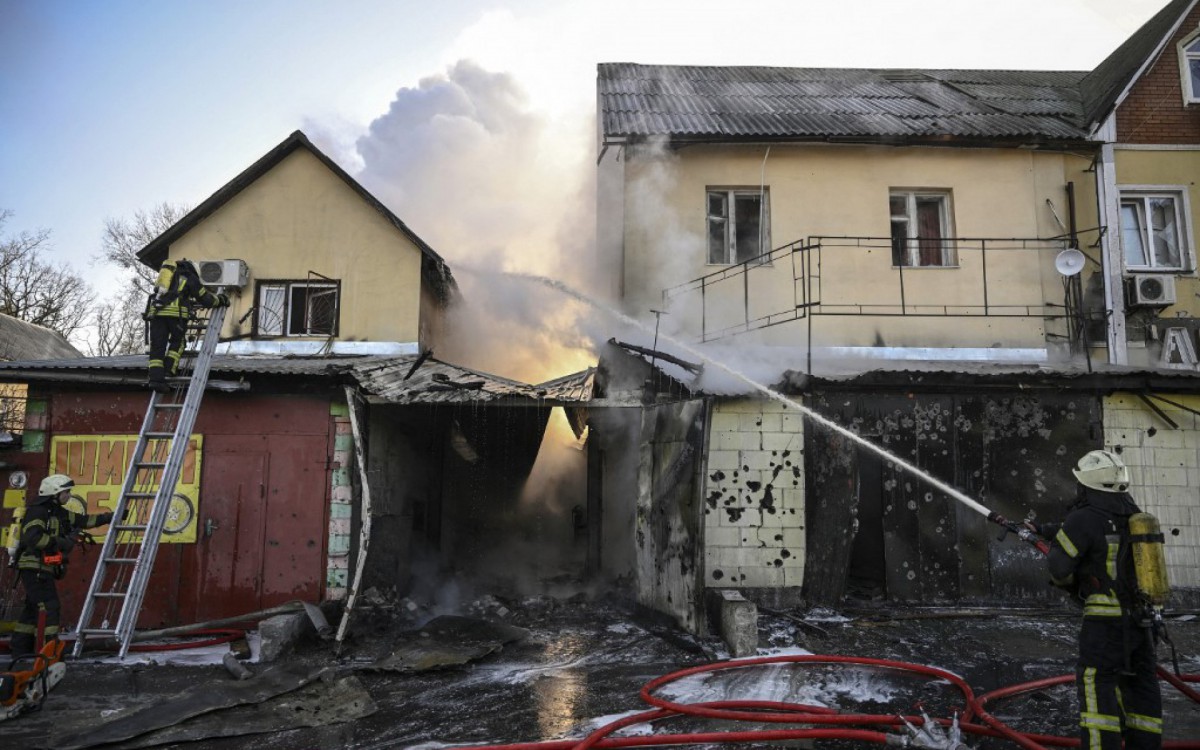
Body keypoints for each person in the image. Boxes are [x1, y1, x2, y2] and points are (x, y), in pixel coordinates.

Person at [1037, 449, 1163, 749]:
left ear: (1086, 484)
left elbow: (1059, 568)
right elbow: (1091, 533)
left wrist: (1072, 584)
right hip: (1143, 626)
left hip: (1105, 627)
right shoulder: (1136, 517)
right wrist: (1042, 531)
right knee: (1140, 692)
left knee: (1097, 689)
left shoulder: (1084, 518)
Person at [9, 474, 114, 665]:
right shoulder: (38, 512)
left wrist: (108, 517)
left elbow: (83, 521)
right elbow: (33, 538)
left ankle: (20, 651)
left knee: (32, 609)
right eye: (66, 492)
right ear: (54, 493)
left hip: (43, 567)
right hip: (34, 566)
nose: (68, 495)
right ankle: (49, 652)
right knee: (50, 607)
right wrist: (59, 542)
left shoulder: (58, 512)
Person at [144, 258, 229, 393]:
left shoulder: (167, 277)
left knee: (157, 347)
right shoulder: (189, 278)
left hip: (157, 314)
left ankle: (155, 380)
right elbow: (205, 299)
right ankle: (169, 371)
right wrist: (221, 300)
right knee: (178, 342)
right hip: (176, 317)